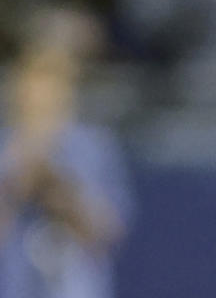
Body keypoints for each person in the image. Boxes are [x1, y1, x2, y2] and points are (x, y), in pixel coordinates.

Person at [0, 41, 134, 298]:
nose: (40, 97)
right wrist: (17, 183)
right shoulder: (6, 148)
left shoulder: (94, 148)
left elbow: (110, 231)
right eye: (31, 86)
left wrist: (62, 194)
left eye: (51, 87)